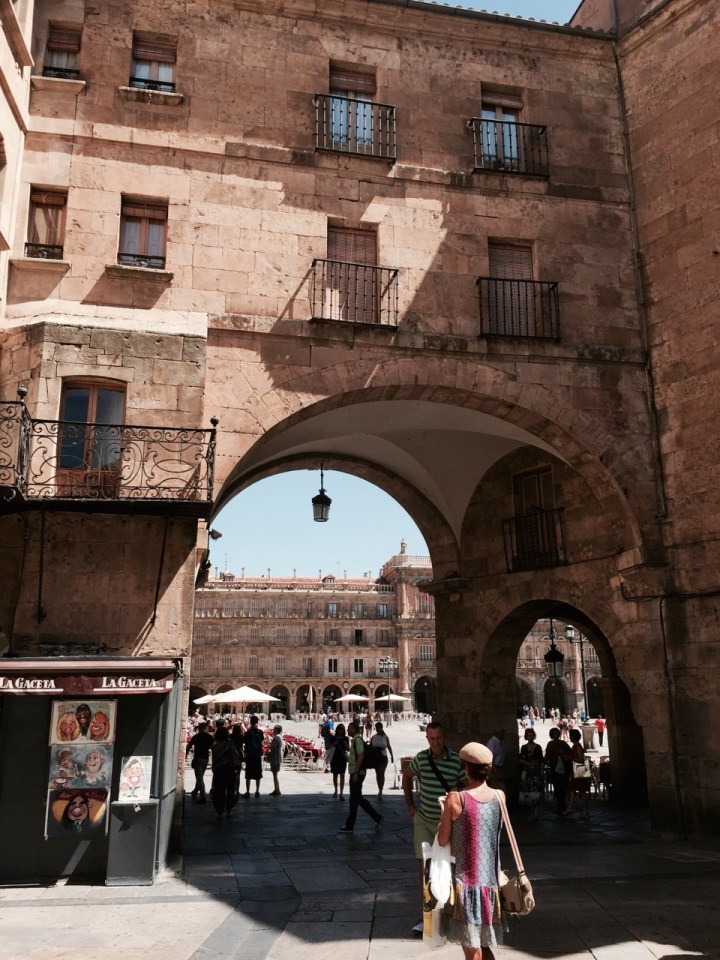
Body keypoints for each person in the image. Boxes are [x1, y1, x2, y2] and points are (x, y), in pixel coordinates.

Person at [437, 742, 505, 960]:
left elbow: (443, 839)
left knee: (471, 946)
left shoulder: (455, 799)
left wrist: (443, 814)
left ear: (466, 767)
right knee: (484, 945)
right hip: (491, 883)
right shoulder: (499, 797)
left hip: (465, 882)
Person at [403, 720, 464, 935]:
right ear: (427, 739)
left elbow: (463, 789)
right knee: (424, 869)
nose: (436, 743)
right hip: (424, 821)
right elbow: (407, 776)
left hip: (448, 823)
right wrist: (410, 806)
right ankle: (426, 914)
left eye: (439, 739)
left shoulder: (456, 760)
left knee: (451, 868)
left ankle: (452, 910)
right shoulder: (421, 759)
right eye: (432, 739)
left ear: (443, 737)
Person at [338, 721, 383, 833]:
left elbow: (361, 756)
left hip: (357, 773)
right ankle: (374, 819)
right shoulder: (356, 740)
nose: (347, 730)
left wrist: (356, 772)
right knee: (355, 800)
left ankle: (352, 825)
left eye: (349, 728)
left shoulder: (357, 740)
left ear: (354, 729)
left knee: (356, 799)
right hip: (356, 772)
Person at [210, 725, 240, 819]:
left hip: (218, 770)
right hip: (229, 770)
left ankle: (220, 812)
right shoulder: (230, 744)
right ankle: (229, 810)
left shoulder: (214, 746)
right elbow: (236, 755)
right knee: (231, 790)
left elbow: (214, 759)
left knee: (219, 791)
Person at [544, 726, 572, 816]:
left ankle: (563, 807)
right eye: (554, 734)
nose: (555, 735)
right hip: (554, 769)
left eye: (557, 733)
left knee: (563, 788)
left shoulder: (563, 743)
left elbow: (570, 753)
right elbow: (547, 756)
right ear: (551, 735)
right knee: (557, 788)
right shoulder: (550, 744)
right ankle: (560, 807)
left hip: (564, 769)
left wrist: (563, 753)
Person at [186, 721, 214, 803]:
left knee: (200, 779)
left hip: (198, 758)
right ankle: (194, 793)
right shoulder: (210, 737)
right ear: (206, 728)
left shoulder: (196, 737)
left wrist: (185, 755)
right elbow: (214, 748)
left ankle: (203, 797)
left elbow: (189, 746)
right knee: (200, 778)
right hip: (205, 759)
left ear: (200, 728)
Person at [518, 728, 543, 820]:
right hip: (526, 772)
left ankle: (536, 812)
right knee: (527, 791)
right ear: (526, 736)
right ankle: (532, 810)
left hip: (535, 772)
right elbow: (520, 758)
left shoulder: (538, 747)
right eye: (528, 735)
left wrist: (541, 771)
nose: (530, 737)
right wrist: (526, 763)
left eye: (531, 735)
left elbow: (541, 760)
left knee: (536, 791)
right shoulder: (523, 747)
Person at [565, 728, 590, 819]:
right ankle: (570, 807)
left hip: (579, 771)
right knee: (572, 789)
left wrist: (570, 758)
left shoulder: (578, 747)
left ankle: (585, 811)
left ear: (572, 737)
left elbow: (581, 760)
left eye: (570, 735)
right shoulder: (575, 746)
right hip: (575, 770)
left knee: (582, 792)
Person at [370, 721, 394, 798]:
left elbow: (389, 746)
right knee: (377, 774)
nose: (377, 729)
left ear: (381, 728)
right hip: (375, 757)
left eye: (378, 727)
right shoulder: (373, 737)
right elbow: (371, 747)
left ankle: (381, 790)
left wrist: (392, 756)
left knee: (381, 773)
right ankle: (379, 788)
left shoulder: (385, 737)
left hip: (383, 757)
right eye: (376, 728)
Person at [243, 715, 265, 797]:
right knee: (258, 774)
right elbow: (262, 741)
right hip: (257, 755)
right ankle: (257, 791)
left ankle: (248, 792)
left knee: (248, 774)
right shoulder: (260, 732)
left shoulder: (248, 732)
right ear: (257, 722)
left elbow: (245, 743)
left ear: (250, 722)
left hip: (249, 754)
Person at [330, 722, 349, 799]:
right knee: (335, 775)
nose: (341, 731)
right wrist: (335, 742)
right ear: (337, 730)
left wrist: (344, 743)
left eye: (342, 729)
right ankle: (336, 790)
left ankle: (341, 793)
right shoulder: (333, 738)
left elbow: (348, 748)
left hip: (342, 758)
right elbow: (328, 746)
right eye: (339, 729)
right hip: (334, 757)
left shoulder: (346, 738)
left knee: (342, 775)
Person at [268, 724, 284, 795]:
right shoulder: (279, 737)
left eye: (274, 729)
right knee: (275, 774)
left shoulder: (276, 737)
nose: (273, 731)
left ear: (277, 730)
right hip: (278, 757)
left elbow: (273, 746)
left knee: (275, 774)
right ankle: (277, 789)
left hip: (275, 758)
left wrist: (269, 742)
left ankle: (276, 790)